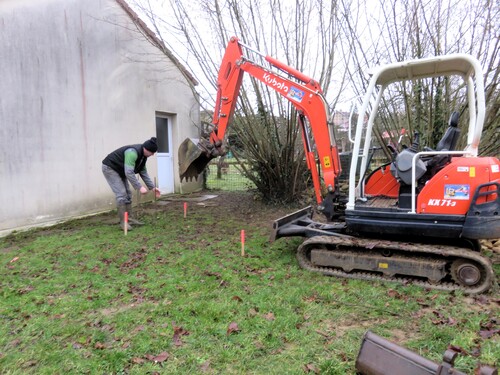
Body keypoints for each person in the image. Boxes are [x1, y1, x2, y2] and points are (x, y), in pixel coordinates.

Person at [102, 137, 161, 230]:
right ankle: (123, 223)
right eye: (152, 152)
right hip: (110, 168)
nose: (153, 155)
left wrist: (153, 187)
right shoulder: (132, 153)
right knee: (121, 194)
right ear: (147, 149)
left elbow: (143, 173)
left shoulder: (143, 157)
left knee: (128, 194)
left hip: (120, 170)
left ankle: (129, 219)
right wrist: (139, 187)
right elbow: (129, 172)